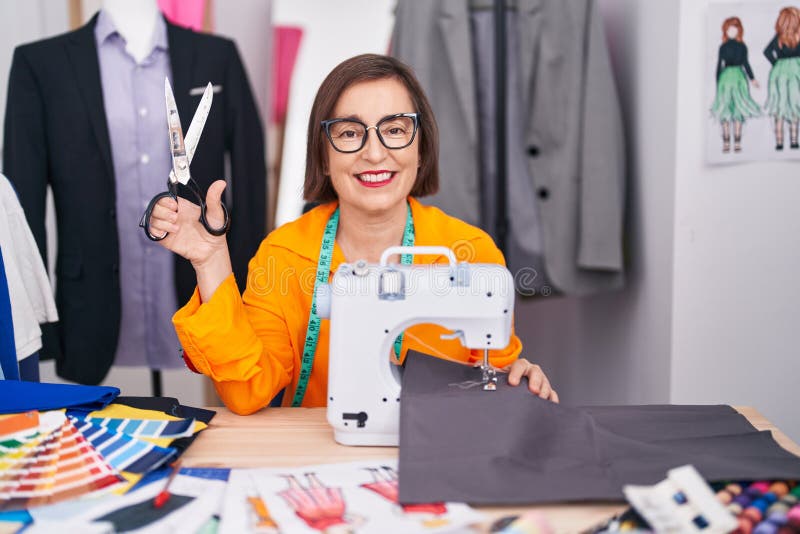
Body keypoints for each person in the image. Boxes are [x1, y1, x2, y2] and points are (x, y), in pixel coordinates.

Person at [145, 54, 558, 414]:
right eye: (349, 133)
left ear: (422, 148)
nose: (374, 153)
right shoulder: (284, 255)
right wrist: (210, 260)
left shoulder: (469, 251)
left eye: (395, 129)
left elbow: (496, 371)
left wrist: (515, 377)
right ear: (323, 156)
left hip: (437, 450)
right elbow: (247, 390)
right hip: (314, 462)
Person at [710, 16, 760, 153]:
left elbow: (746, 63)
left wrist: (752, 78)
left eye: (734, 28)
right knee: (725, 110)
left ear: (739, 30)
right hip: (725, 78)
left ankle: (737, 141)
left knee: (738, 110)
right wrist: (717, 82)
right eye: (729, 29)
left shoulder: (742, 46)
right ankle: (726, 142)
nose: (732, 31)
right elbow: (719, 65)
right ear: (725, 30)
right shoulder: (723, 47)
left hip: (739, 77)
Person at [764, 7, 800, 150]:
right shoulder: (790, 37)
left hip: (781, 73)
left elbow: (767, 52)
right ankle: (793, 141)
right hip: (794, 72)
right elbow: (766, 52)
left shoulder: (779, 37)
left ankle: (779, 142)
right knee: (794, 106)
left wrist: (777, 64)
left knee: (782, 106)